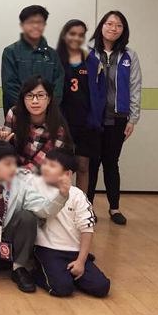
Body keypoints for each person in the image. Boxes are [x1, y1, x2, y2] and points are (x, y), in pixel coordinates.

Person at [0, 140, 71, 293]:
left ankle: (19, 267)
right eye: (7, 164)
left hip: (10, 239)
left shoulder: (22, 187)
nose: (14, 168)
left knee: (27, 217)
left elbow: (43, 209)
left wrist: (61, 195)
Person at [29, 148, 110, 298]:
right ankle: (38, 273)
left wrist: (81, 261)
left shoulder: (78, 195)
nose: (45, 168)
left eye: (52, 166)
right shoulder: (36, 187)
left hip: (74, 251)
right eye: (45, 164)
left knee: (102, 287)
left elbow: (87, 229)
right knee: (62, 289)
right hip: (48, 249)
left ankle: (68, 273)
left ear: (67, 174)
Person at [87, 11, 142, 225]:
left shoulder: (129, 55)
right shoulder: (87, 52)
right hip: (92, 118)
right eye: (109, 24)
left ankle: (114, 208)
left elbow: (135, 86)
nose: (113, 28)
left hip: (118, 118)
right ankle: (87, 208)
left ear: (123, 30)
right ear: (101, 26)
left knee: (111, 163)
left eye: (118, 25)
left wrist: (133, 119)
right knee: (91, 164)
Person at [56, 20, 106, 193]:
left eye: (80, 35)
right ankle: (61, 205)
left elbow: (101, 93)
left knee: (83, 166)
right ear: (64, 35)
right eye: (72, 34)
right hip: (61, 122)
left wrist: (95, 117)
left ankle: (82, 205)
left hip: (86, 123)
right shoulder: (56, 60)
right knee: (60, 167)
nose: (76, 38)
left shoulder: (92, 62)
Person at [0, 75, 71, 176]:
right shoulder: (14, 114)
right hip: (13, 172)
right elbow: (4, 155)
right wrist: (1, 143)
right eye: (29, 95)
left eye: (40, 95)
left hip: (43, 176)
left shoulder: (58, 127)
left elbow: (44, 163)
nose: (35, 101)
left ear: (49, 99)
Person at [1, 5, 64, 113]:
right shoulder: (10, 52)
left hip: (47, 115)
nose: (35, 26)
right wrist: (29, 109)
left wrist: (44, 109)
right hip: (19, 115)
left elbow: (58, 88)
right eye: (30, 22)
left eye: (39, 22)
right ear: (22, 25)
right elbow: (10, 87)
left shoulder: (53, 55)